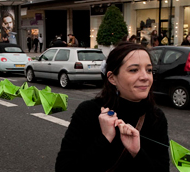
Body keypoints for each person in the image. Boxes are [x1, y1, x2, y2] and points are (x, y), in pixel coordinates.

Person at [55, 42, 170, 171]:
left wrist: (137, 152)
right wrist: (104, 139)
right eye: (134, 70)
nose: (145, 77)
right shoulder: (89, 111)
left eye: (149, 70)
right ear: (112, 78)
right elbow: (64, 168)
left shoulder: (156, 117)